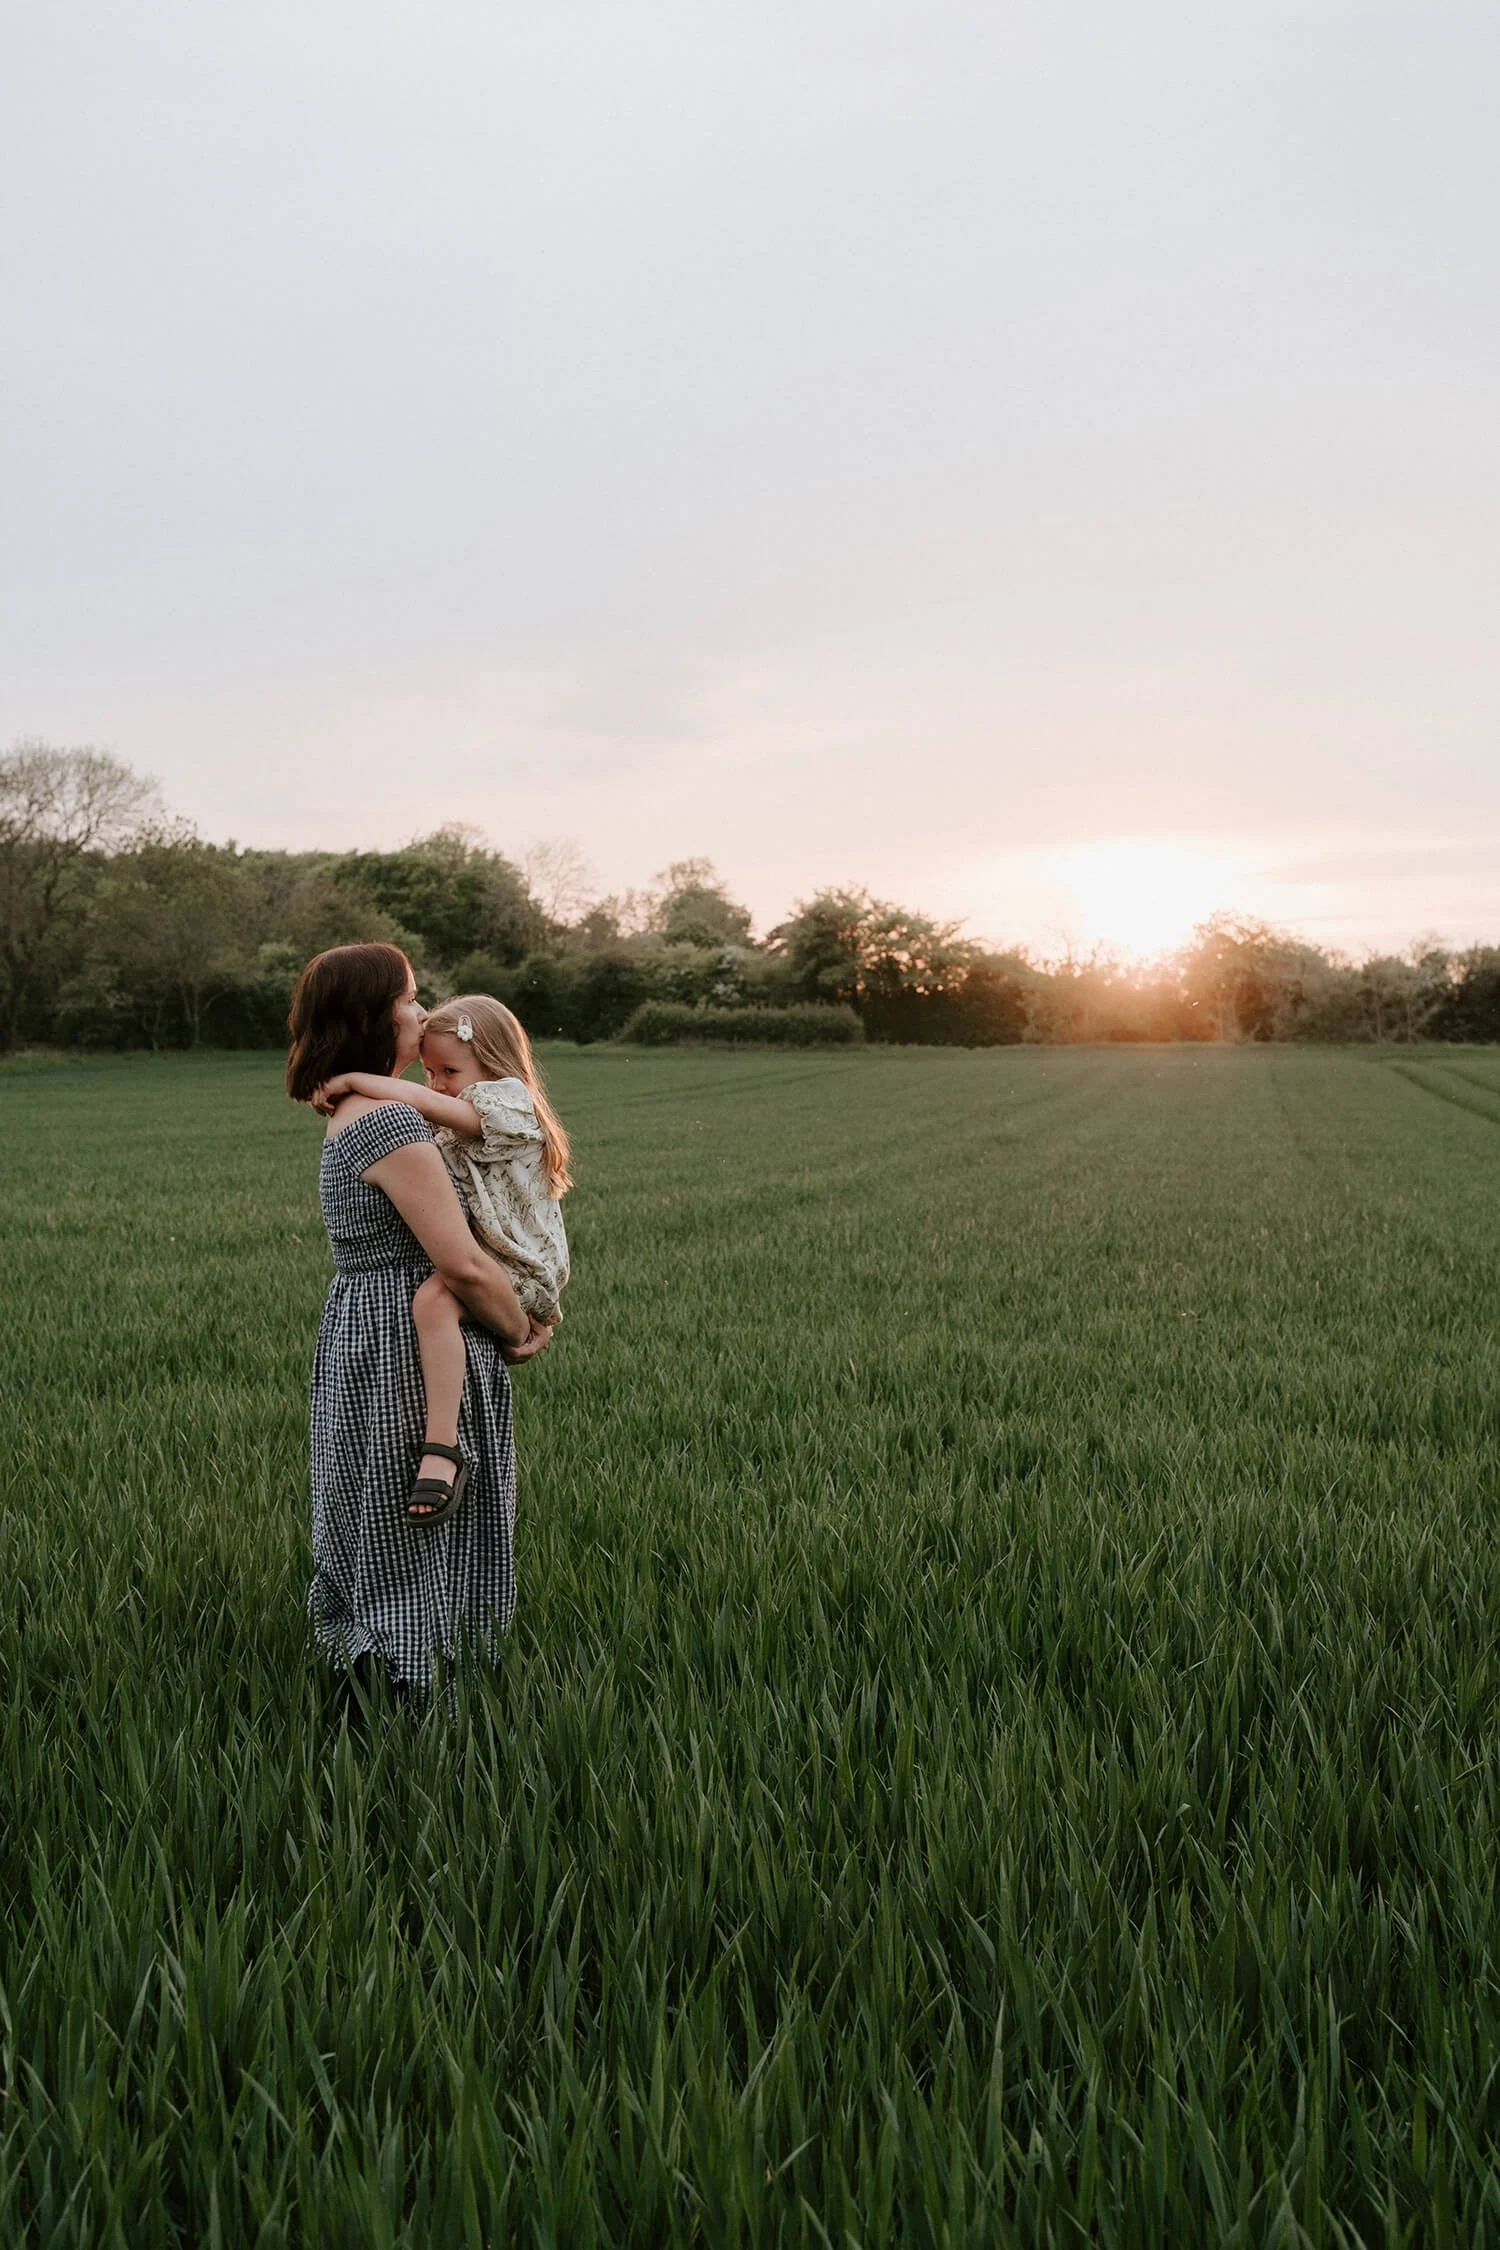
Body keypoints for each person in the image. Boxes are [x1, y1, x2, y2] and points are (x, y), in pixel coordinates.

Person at [285, 943, 548, 1697]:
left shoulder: (364, 1111)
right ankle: (408, 1690)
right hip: (408, 1339)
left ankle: (384, 1674)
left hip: (370, 1329)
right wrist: (520, 1327)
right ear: (373, 1017)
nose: (421, 1008)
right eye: (407, 997)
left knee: (375, 1509)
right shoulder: (390, 1128)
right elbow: (461, 1265)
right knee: (420, 1531)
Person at [317, 993, 571, 1528]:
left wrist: (360, 1083)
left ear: (493, 1062)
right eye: (430, 1072)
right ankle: (442, 1443)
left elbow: (437, 1110)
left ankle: (440, 1446)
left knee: (433, 1300)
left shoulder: (510, 1102)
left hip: (520, 1265)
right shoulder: (444, 1119)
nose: (437, 1085)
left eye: (449, 1070)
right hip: (497, 1261)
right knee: (436, 1301)